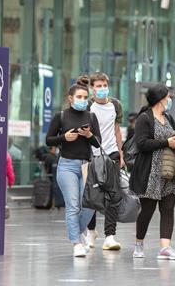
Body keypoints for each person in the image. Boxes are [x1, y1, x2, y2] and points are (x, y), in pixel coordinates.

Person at [46, 77, 101, 258]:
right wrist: (64, 138)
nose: (83, 100)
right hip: (67, 165)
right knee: (73, 205)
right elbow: (48, 140)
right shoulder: (60, 116)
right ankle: (76, 243)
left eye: (85, 97)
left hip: (86, 165)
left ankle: (79, 233)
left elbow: (97, 143)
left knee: (90, 205)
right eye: (79, 97)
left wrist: (89, 134)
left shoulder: (91, 116)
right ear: (70, 98)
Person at [130, 84, 175, 260]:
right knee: (147, 210)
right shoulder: (145, 118)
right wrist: (167, 142)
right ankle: (139, 243)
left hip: (169, 171)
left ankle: (165, 247)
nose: (169, 100)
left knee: (168, 209)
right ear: (161, 99)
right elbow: (142, 144)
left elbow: (171, 138)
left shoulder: (168, 117)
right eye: (168, 97)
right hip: (150, 171)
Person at [85, 72, 124, 250]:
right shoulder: (87, 107)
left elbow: (117, 131)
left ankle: (110, 236)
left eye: (104, 86)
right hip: (91, 155)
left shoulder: (115, 105)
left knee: (113, 196)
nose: (102, 89)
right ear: (92, 88)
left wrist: (121, 154)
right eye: (98, 86)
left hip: (112, 155)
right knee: (92, 195)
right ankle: (91, 230)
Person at [5, 152, 15, 219]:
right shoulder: (7, 155)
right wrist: (11, 181)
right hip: (2, 182)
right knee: (3, 200)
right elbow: (9, 169)